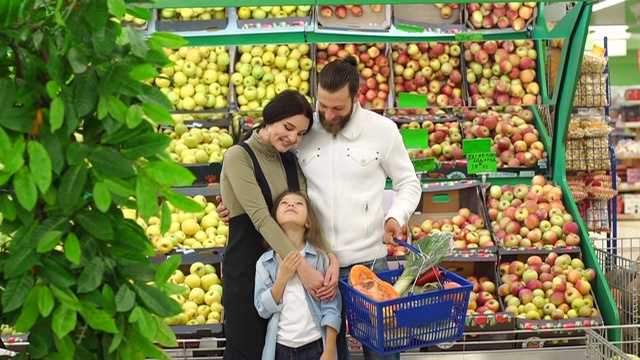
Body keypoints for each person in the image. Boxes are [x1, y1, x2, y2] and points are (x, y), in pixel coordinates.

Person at [219, 57, 421, 360]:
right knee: (328, 354)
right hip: (316, 268)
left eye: (337, 108)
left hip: (369, 264)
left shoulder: (384, 131)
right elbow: (267, 157)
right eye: (322, 106)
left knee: (382, 355)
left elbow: (409, 182)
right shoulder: (306, 130)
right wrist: (232, 199)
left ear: (356, 98)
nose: (328, 114)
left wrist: (396, 215)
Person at [220, 90, 340, 360]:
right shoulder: (239, 156)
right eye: (288, 128)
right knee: (247, 352)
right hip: (248, 270)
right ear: (268, 119)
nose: (292, 138)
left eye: (300, 134)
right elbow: (261, 217)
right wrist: (305, 268)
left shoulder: (289, 159)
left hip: (287, 274)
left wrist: (330, 257)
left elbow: (308, 212)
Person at [255, 191, 341, 360]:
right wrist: (283, 276)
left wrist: (330, 349)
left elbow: (332, 306)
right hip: (279, 348)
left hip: (316, 345)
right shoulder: (265, 262)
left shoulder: (320, 258)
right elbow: (262, 309)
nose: (291, 205)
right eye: (284, 203)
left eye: (299, 203)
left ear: (308, 222)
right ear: (274, 221)